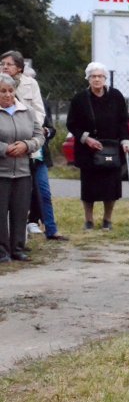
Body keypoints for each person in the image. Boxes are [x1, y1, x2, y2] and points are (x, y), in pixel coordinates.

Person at [65, 62, 129, 231]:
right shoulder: (80, 98)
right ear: (88, 79)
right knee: (89, 187)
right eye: (93, 76)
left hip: (112, 148)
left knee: (111, 186)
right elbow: (72, 124)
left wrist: (125, 140)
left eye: (100, 76)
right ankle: (88, 220)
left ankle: (107, 219)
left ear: (105, 78)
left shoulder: (116, 96)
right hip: (88, 149)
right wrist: (86, 139)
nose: (97, 79)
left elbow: (123, 121)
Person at [0, 74, 44, 262]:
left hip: (23, 171)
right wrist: (4, 148)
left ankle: (17, 248)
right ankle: (2, 251)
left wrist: (27, 145)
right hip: (1, 171)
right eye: (3, 91)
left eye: (11, 91)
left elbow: (39, 135)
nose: (8, 95)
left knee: (20, 211)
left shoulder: (26, 111)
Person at [27, 98, 66, 240]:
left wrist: (46, 131)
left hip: (39, 156)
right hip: (20, 156)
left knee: (44, 192)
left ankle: (51, 229)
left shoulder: (40, 102)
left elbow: (51, 128)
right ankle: (23, 229)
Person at [1, 51, 45, 129]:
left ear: (19, 67)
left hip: (26, 129)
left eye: (9, 64)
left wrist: (32, 129)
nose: (5, 67)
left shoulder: (31, 83)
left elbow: (39, 111)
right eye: (2, 64)